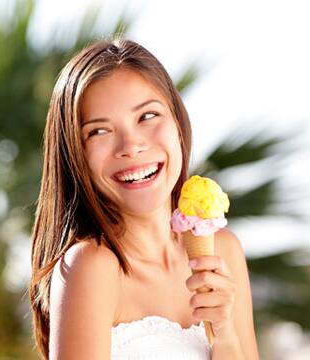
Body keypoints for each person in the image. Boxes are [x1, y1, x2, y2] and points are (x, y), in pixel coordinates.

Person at [28, 38, 260, 359]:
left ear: (178, 122)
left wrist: (224, 337)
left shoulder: (224, 251)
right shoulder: (91, 267)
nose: (131, 145)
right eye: (98, 131)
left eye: (147, 116)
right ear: (74, 155)